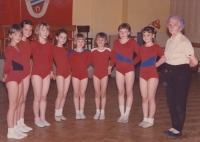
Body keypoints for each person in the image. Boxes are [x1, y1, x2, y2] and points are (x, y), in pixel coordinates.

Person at [162, 15, 198, 139]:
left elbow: (194, 62)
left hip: (181, 73)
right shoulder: (169, 40)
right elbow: (166, 57)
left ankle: (178, 129)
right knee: (171, 102)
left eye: (175, 24)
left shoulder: (184, 41)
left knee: (179, 102)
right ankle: (173, 126)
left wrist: (182, 69)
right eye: (170, 24)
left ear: (180, 27)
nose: (172, 27)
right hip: (170, 72)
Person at [133, 26, 165, 128]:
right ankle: (145, 118)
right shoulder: (141, 48)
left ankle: (151, 120)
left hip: (152, 75)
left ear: (153, 35)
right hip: (142, 74)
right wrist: (128, 65)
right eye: (144, 35)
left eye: (148, 35)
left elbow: (164, 57)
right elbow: (137, 58)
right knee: (144, 98)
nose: (146, 37)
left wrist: (156, 65)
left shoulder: (156, 47)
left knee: (151, 98)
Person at [109, 23, 139, 123]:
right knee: (121, 92)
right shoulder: (116, 42)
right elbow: (114, 56)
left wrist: (132, 63)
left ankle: (127, 114)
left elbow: (140, 55)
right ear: (118, 32)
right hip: (119, 70)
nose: (123, 33)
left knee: (129, 92)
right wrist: (110, 66)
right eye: (121, 31)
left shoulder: (133, 42)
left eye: (125, 32)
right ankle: (122, 114)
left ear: (129, 32)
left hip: (129, 70)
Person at [2, 24, 26, 139]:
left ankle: (15, 127)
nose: (18, 36)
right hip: (12, 79)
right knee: (12, 105)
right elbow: (7, 65)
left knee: (17, 103)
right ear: (10, 35)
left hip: (19, 78)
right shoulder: (10, 48)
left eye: (19, 34)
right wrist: (5, 76)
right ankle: (10, 131)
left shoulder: (18, 47)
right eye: (15, 34)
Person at [30, 22, 54, 127]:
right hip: (36, 72)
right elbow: (26, 56)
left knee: (44, 96)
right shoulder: (34, 43)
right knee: (38, 96)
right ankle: (36, 118)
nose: (46, 32)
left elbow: (50, 59)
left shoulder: (49, 44)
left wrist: (51, 71)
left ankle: (43, 117)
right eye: (43, 30)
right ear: (38, 31)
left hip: (46, 73)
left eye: (47, 30)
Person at [67, 33, 90, 119]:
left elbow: (90, 60)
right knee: (76, 94)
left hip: (84, 74)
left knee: (82, 93)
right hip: (75, 75)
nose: (80, 43)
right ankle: (77, 112)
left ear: (84, 43)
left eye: (82, 41)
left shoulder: (87, 52)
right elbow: (68, 63)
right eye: (79, 41)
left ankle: (82, 111)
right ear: (75, 42)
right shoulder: (71, 52)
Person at [90, 32, 111, 120]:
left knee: (103, 93)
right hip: (96, 74)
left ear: (105, 41)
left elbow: (114, 59)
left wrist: (109, 67)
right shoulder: (93, 51)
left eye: (102, 39)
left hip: (104, 75)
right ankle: (97, 111)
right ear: (96, 40)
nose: (100, 41)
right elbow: (90, 60)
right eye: (98, 39)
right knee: (97, 93)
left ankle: (102, 111)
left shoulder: (108, 51)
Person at [17, 20, 33, 132]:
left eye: (30, 30)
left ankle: (21, 122)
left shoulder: (28, 42)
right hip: (18, 74)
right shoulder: (17, 42)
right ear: (21, 29)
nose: (28, 31)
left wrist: (30, 70)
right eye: (26, 29)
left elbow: (28, 58)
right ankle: (16, 124)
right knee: (18, 99)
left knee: (23, 99)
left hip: (27, 73)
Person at [52, 29, 71, 122]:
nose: (63, 39)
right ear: (56, 37)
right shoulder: (53, 48)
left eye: (65, 37)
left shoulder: (65, 49)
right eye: (61, 37)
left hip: (68, 73)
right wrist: (51, 71)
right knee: (60, 94)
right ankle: (56, 114)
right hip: (60, 73)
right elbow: (48, 61)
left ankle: (60, 112)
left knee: (64, 94)